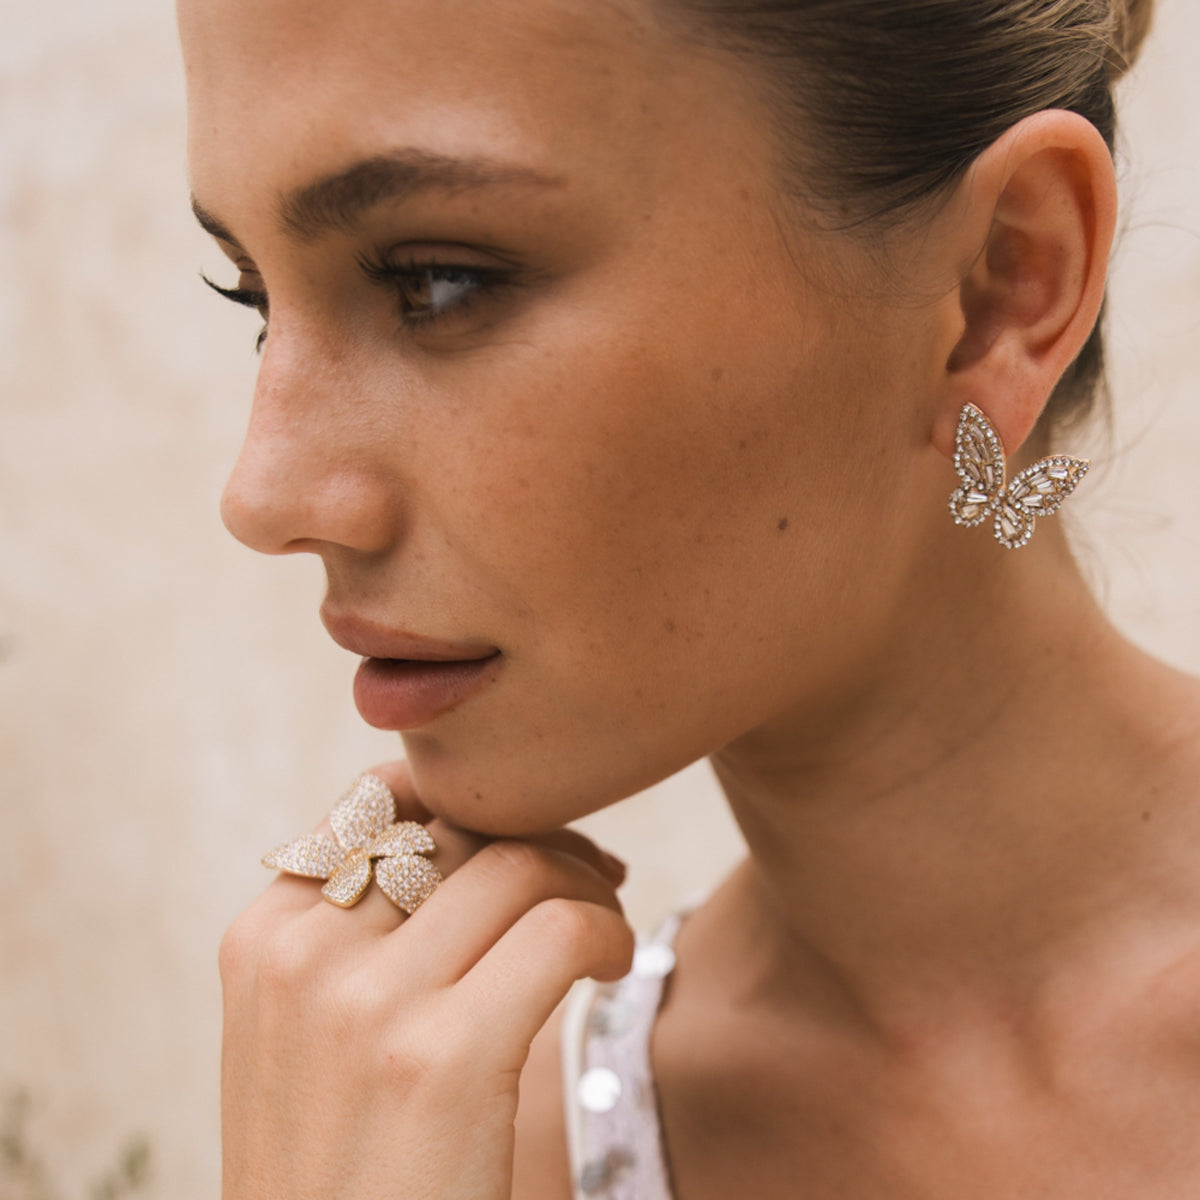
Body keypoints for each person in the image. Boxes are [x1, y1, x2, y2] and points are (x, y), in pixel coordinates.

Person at [179, 0, 1200, 1195]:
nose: (264, 494)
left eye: (439, 283)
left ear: (1001, 284)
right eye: (254, 300)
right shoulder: (471, 1153)